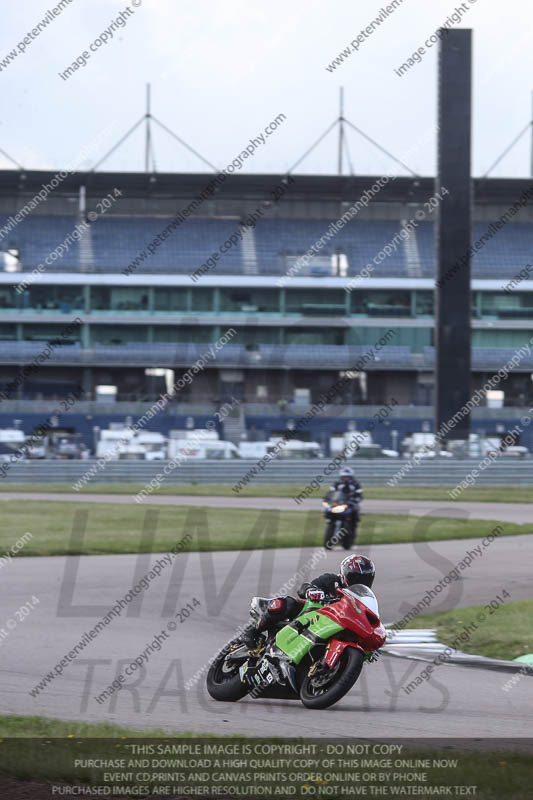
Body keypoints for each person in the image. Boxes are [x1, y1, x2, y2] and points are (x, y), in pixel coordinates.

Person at [241, 554, 376, 649]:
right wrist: (311, 591)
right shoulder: (331, 580)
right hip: (310, 615)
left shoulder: (362, 598)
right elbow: (305, 587)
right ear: (345, 574)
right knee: (288, 604)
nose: (360, 582)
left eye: (365, 579)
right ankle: (252, 630)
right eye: (355, 577)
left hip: (331, 627)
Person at [323, 466, 363, 546]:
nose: (345, 478)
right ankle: (330, 525)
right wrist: (327, 499)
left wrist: (354, 500)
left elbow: (359, 495)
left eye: (347, 477)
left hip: (350, 504)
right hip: (338, 503)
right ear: (341, 477)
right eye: (344, 477)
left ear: (351, 477)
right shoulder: (337, 484)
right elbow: (331, 493)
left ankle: (352, 532)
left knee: (354, 514)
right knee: (329, 512)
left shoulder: (356, 484)